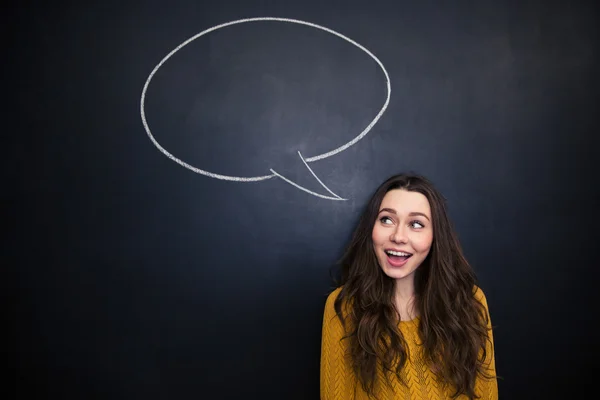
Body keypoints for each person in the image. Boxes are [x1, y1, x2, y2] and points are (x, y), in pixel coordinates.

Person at [320, 173, 498, 399]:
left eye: (416, 224)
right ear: (371, 228)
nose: (398, 236)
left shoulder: (470, 302)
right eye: (386, 219)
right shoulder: (344, 307)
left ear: (435, 236)